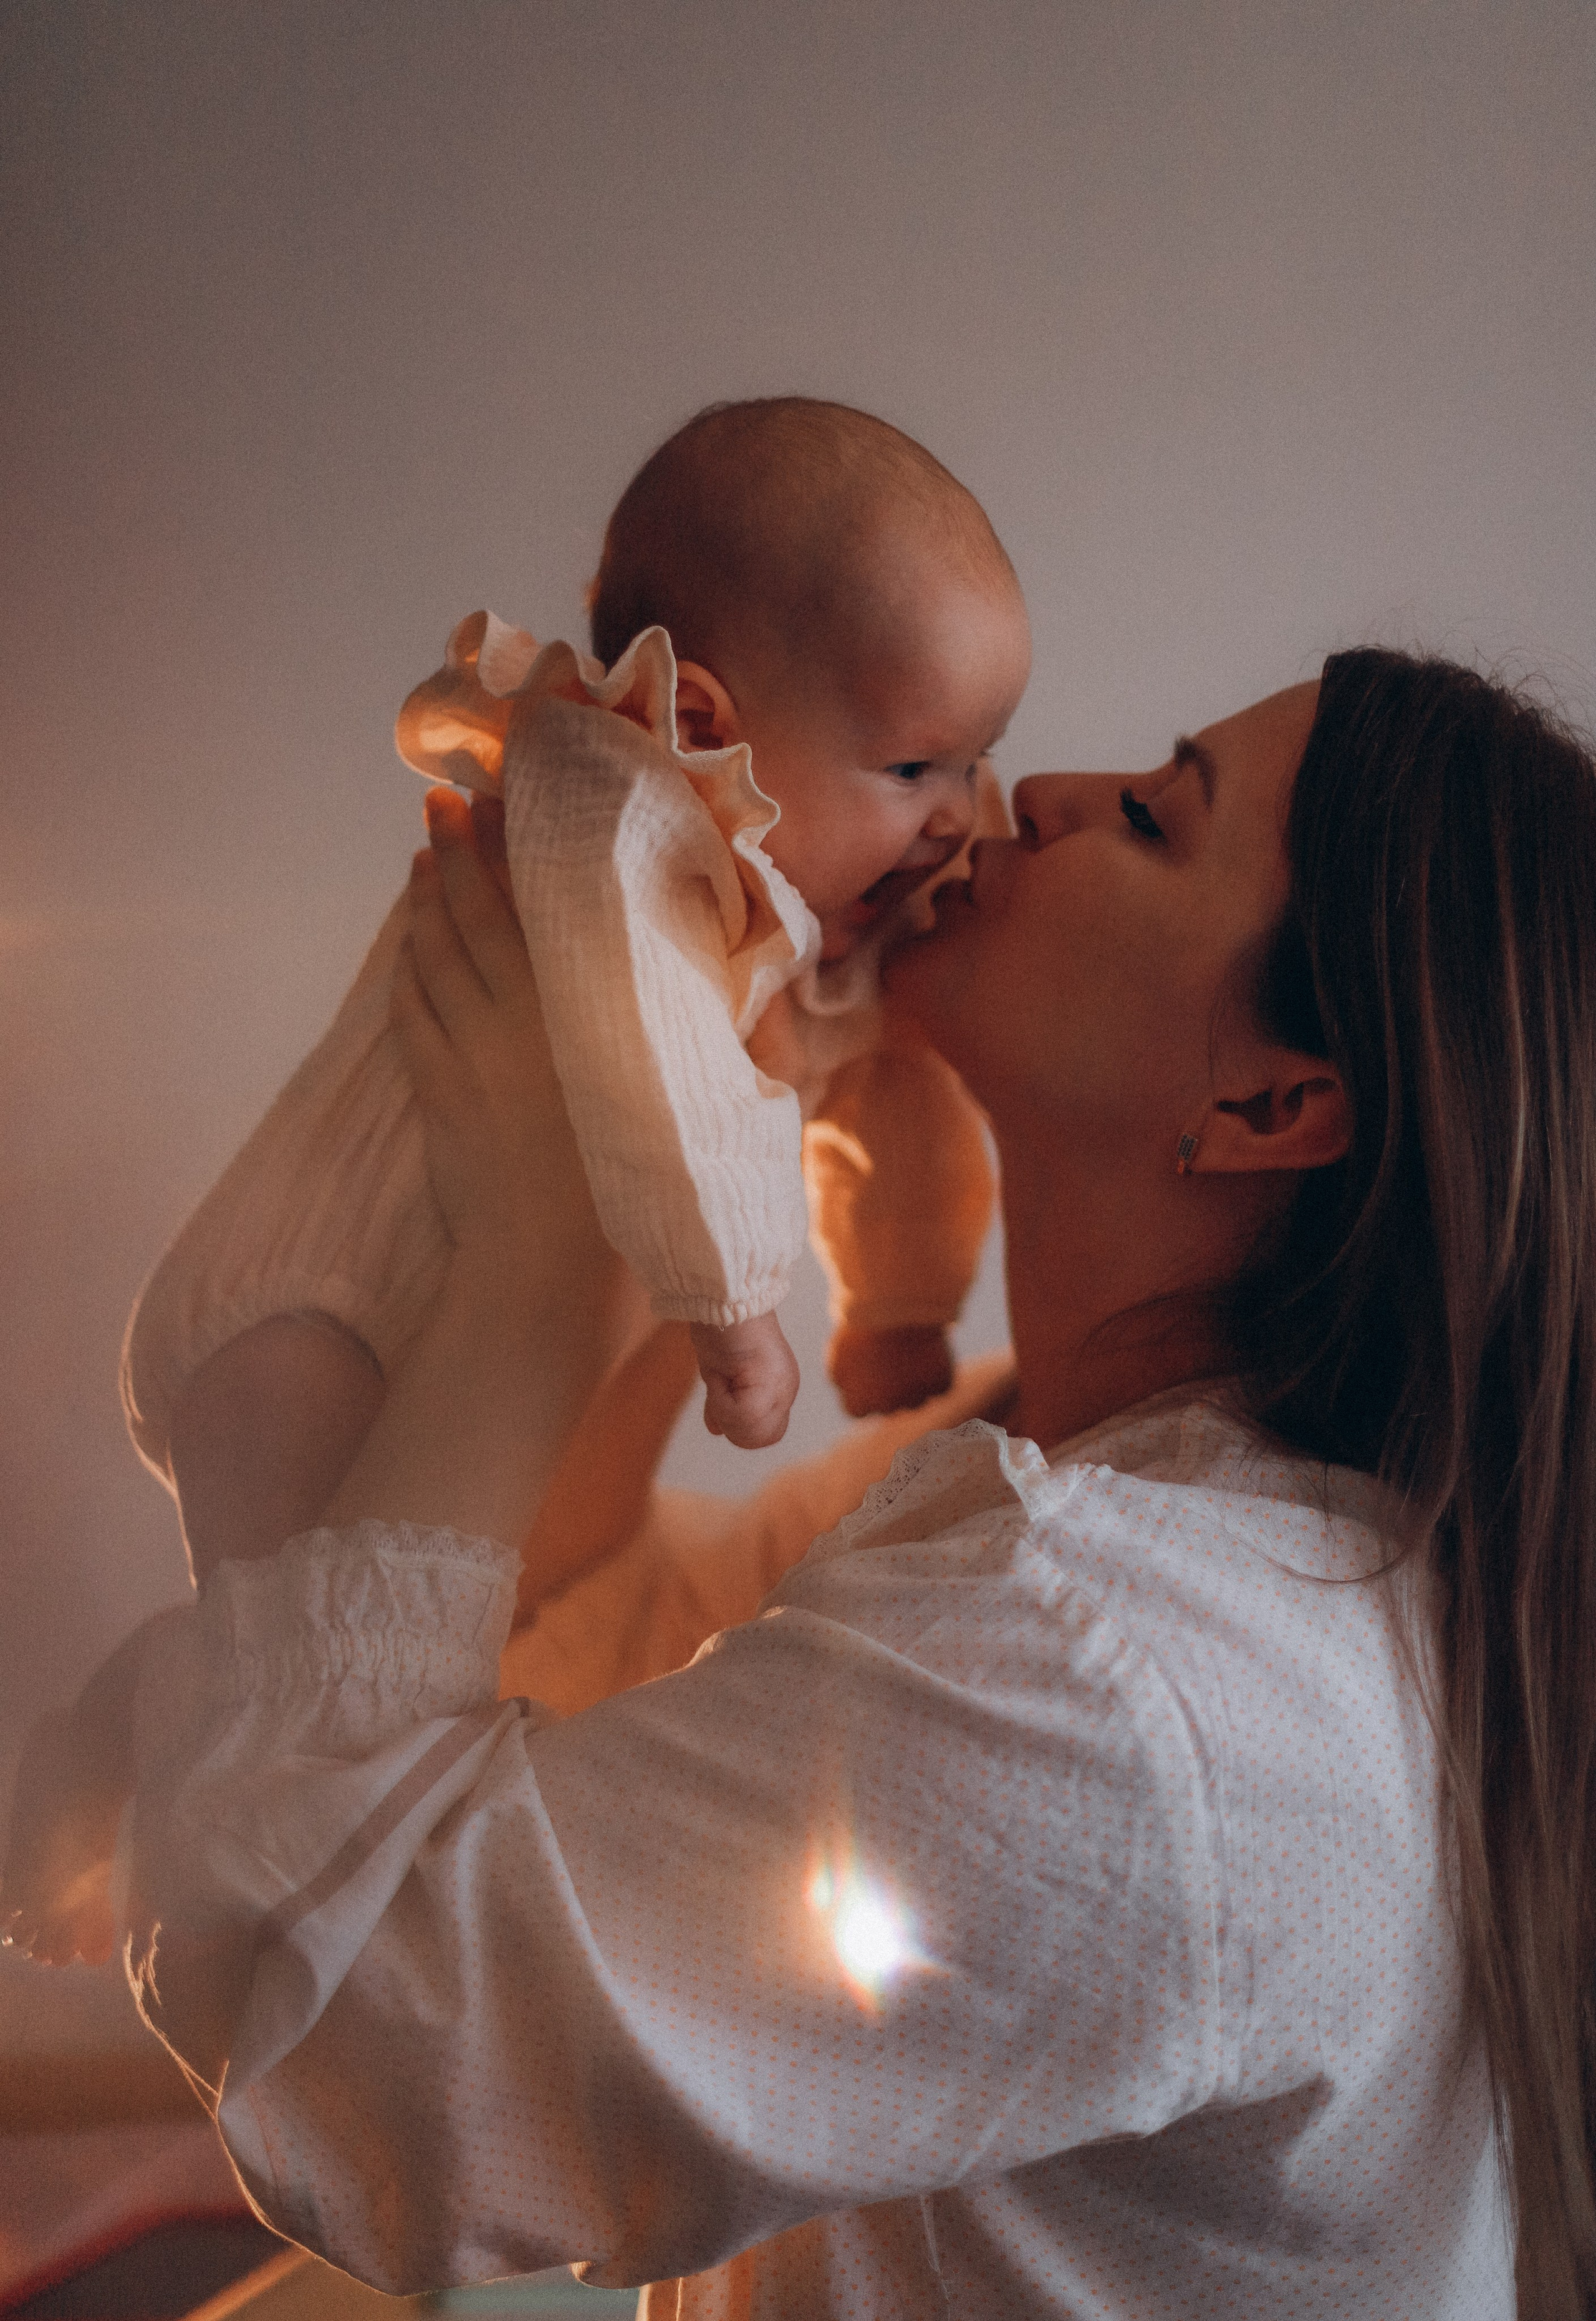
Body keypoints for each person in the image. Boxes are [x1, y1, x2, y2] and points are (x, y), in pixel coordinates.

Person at [9, 645, 1595, 2314]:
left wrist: (535, 1264)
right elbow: (563, 1623)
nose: (1039, 794)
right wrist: (673, 1098)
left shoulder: (1127, 1664)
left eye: (1148, 817)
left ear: (1273, 1098)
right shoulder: (1052, 1500)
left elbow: (352, 2056)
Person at [118, 397, 1031, 1585]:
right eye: (914, 767)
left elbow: (898, 1082)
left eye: (976, 756)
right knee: (283, 1638)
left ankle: (125, 1713)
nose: (957, 812)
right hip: (318, 1305)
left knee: (300, 1639)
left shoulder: (853, 899)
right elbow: (660, 1066)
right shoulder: (619, 816)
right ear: (706, 726)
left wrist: (899, 1299)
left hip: (481, 1413)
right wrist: (735, 1301)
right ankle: (135, 1724)